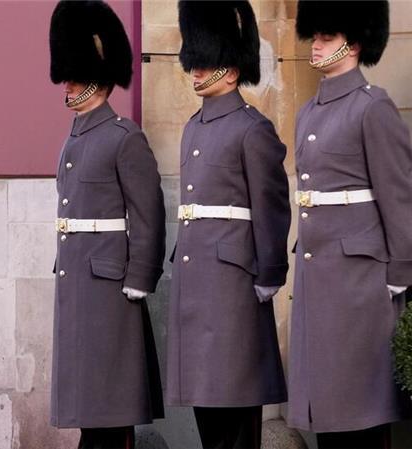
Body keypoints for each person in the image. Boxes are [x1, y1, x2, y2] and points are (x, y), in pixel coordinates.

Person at [288, 1, 412, 447]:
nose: (315, 45)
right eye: (315, 36)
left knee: (361, 410)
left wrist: (401, 272)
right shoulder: (308, 112)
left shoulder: (372, 106)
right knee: (328, 410)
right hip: (320, 278)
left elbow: (399, 196)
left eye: (326, 38)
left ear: (353, 44)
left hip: (361, 282)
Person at [166, 2, 290, 448]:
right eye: (193, 63)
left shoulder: (251, 129)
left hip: (234, 284)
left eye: (205, 64)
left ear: (232, 72)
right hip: (197, 284)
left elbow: (272, 207)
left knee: (236, 406)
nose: (195, 72)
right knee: (207, 406)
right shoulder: (193, 128)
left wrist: (270, 273)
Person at [48, 2, 166, 447]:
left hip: (110, 282)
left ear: (94, 78)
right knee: (87, 394)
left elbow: (147, 212)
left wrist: (140, 276)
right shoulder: (76, 136)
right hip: (77, 277)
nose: (67, 83)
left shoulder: (123, 135)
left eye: (74, 76)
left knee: (110, 397)